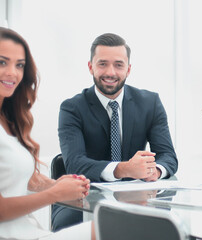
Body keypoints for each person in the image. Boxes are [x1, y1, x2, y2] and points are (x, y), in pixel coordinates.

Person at [52, 33, 178, 231]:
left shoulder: (150, 103)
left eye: (118, 65)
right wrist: (124, 169)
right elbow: (75, 164)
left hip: (138, 198)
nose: (110, 72)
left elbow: (168, 156)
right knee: (66, 223)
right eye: (102, 64)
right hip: (83, 199)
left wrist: (155, 171)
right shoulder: (71, 108)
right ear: (90, 66)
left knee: (169, 225)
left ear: (128, 69)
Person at [0, 27, 95, 240]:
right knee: (111, 228)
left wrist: (60, 184)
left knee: (115, 227)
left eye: (19, 65)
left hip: (29, 232)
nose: (12, 73)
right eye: (2, 62)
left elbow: (20, 176)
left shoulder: (10, 120)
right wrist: (55, 194)